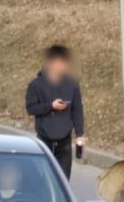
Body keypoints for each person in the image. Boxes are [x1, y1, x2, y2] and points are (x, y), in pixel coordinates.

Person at [25, 44, 85, 179]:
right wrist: (50, 106)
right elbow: (31, 108)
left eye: (66, 62)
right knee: (44, 180)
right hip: (44, 140)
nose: (64, 66)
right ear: (52, 63)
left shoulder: (72, 85)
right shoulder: (36, 85)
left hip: (64, 141)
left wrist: (80, 134)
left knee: (63, 181)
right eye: (61, 62)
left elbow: (77, 110)